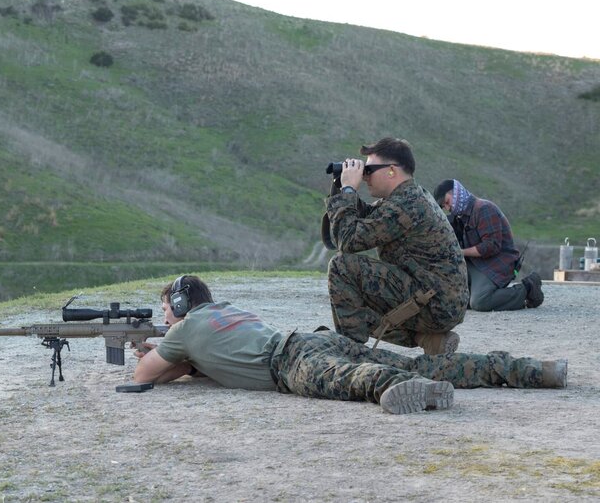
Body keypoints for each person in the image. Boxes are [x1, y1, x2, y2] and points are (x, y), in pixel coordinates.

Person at [133, 275, 567, 414]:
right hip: (309, 338)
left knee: (352, 380)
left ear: (179, 305)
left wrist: (169, 356)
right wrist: (189, 364)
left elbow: (144, 375)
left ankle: (403, 390)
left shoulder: (184, 329)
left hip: (288, 363)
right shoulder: (224, 311)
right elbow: (199, 361)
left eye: (168, 311)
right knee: (422, 362)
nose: (166, 318)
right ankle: (529, 369)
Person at [321, 138, 469, 355]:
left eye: (369, 169)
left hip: (435, 305)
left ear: (391, 170)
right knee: (356, 291)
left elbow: (348, 241)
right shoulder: (407, 197)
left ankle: (351, 352)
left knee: (342, 267)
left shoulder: (405, 205)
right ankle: (428, 339)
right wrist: (341, 185)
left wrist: (350, 191)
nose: (366, 176)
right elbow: (365, 217)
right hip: (437, 299)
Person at [432, 179, 544, 311]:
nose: (447, 208)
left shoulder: (484, 209)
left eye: (447, 202)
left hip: (495, 264)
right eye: (444, 207)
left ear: (456, 193)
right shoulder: (459, 217)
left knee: (480, 302)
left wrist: (460, 252)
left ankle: (527, 289)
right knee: (455, 299)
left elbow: (491, 246)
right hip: (476, 263)